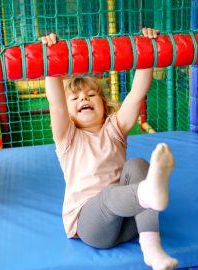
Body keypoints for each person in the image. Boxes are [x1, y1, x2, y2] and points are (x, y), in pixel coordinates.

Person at [41, 28, 178, 270]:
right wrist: (51, 57)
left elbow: (136, 95)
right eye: (75, 99)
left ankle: (152, 248)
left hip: (130, 221)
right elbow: (56, 103)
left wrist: (147, 51)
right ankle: (146, 194)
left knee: (137, 165)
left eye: (91, 94)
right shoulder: (68, 138)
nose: (84, 99)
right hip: (93, 226)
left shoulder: (114, 129)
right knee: (108, 194)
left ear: (104, 105)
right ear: (69, 112)